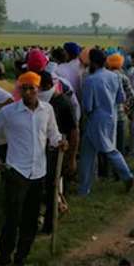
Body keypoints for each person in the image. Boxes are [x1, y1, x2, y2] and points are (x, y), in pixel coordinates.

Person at [0, 72, 68, 265]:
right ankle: (4, 257)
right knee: (12, 219)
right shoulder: (9, 112)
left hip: (38, 172)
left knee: (31, 220)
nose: (28, 91)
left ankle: (21, 257)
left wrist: (60, 143)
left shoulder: (47, 110)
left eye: (32, 88)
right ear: (20, 90)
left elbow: (53, 135)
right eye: (24, 88)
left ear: (38, 89)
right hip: (16, 171)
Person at [78, 49, 134, 195]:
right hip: (111, 116)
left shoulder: (90, 80)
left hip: (96, 119)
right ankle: (83, 189)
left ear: (93, 62)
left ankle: (127, 176)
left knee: (109, 150)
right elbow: (120, 98)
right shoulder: (115, 76)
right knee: (87, 153)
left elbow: (87, 106)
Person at [38, 71, 79, 234]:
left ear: (47, 86)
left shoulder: (62, 102)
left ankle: (50, 224)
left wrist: (72, 158)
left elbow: (74, 131)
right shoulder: (40, 102)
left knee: (51, 187)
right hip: (41, 152)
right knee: (46, 189)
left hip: (56, 152)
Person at [107, 53, 134, 155]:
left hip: (108, 116)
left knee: (108, 145)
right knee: (120, 146)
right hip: (120, 115)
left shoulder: (105, 77)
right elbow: (132, 97)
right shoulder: (124, 77)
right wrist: (128, 109)